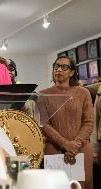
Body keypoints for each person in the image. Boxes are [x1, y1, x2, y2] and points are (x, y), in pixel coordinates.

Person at [39, 56, 94, 189]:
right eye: (56, 66)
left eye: (64, 67)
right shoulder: (43, 95)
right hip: (54, 151)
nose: (59, 69)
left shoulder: (83, 93)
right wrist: (65, 144)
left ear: (72, 72)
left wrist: (74, 145)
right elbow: (44, 125)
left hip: (80, 150)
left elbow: (89, 122)